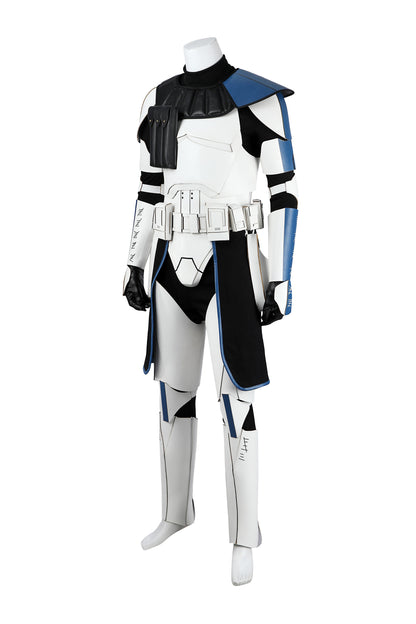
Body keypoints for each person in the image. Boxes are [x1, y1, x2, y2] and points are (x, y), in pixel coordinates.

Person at [123, 37, 298, 585]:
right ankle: (177, 513)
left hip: (232, 260)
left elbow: (283, 192)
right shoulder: (158, 99)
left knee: (235, 400)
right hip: (170, 260)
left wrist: (280, 277)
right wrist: (133, 263)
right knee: (172, 394)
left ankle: (245, 536)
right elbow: (150, 188)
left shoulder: (256, 99)